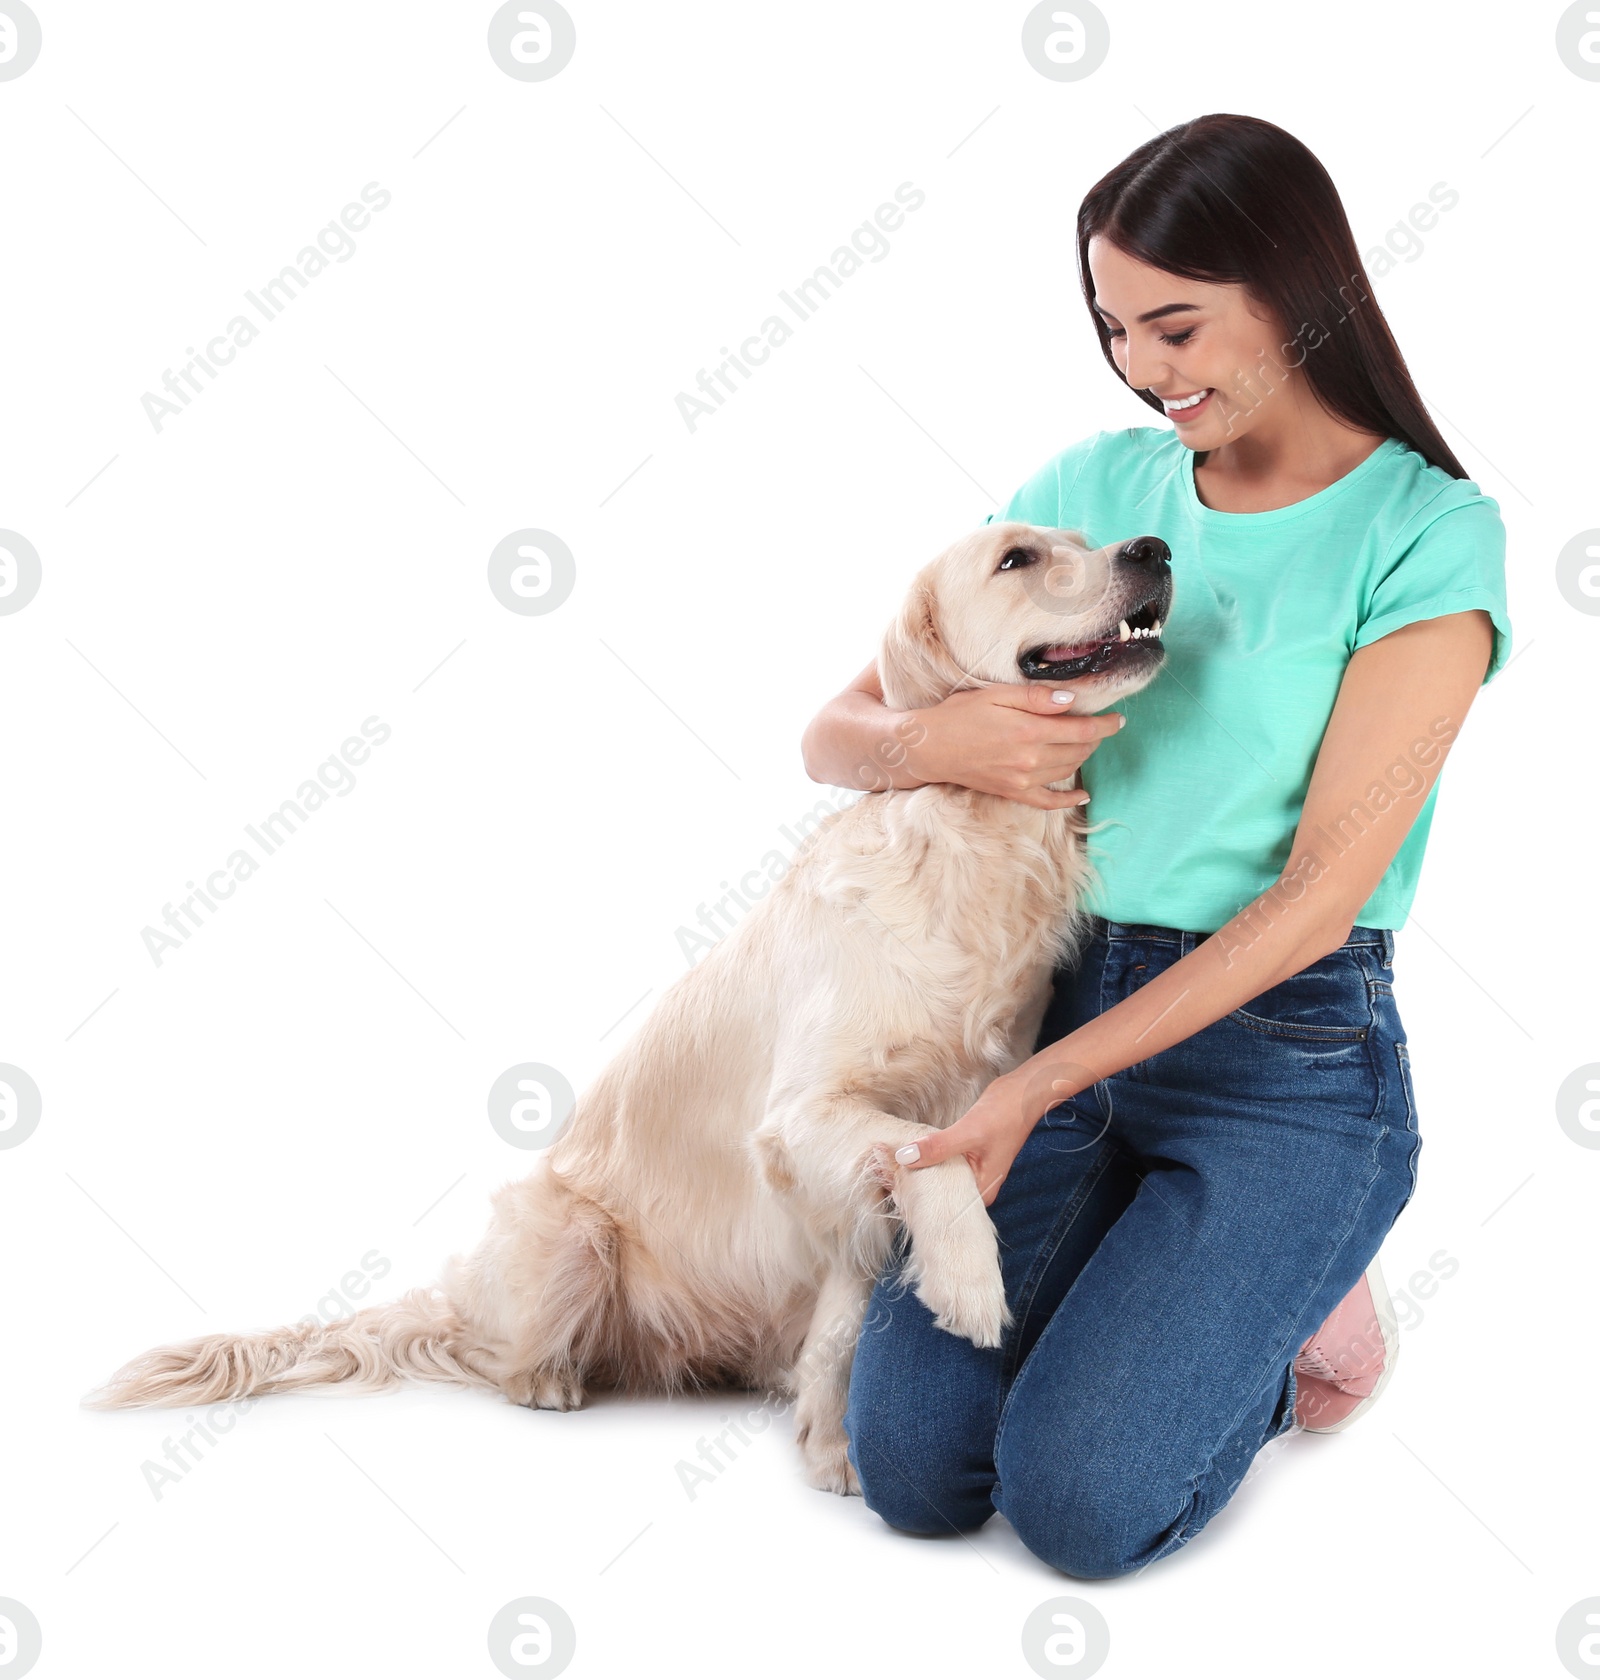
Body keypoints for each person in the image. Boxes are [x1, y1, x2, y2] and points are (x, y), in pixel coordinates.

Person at [800, 113, 1512, 1578]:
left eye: (1175, 325)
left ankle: (1300, 1284)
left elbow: (1320, 899)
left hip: (1288, 1052)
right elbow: (838, 730)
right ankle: (1178, 1262)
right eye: (1116, 329)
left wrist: (1036, 1093)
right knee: (913, 1473)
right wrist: (926, 744)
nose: (1144, 367)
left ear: (1297, 290)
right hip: (1055, 995)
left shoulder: (1429, 535)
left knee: (1080, 1509)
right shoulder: (1096, 484)